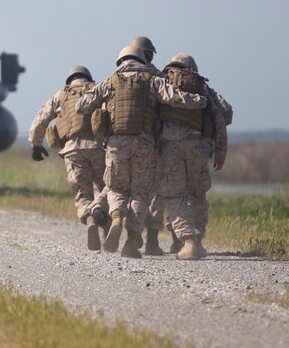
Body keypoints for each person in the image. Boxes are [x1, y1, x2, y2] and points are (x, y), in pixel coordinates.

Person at [76, 45, 207, 258]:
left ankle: (117, 216)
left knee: (116, 188)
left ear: (121, 60)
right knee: (140, 193)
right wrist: (199, 101)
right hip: (145, 144)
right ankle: (130, 242)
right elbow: (173, 96)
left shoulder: (111, 80)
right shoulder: (152, 79)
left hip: (116, 143)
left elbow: (81, 106)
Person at [158, 53, 232, 257]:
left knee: (175, 196)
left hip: (170, 148)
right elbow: (225, 114)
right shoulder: (205, 89)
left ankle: (187, 240)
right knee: (197, 195)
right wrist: (221, 151)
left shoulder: (163, 83)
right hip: (199, 148)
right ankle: (197, 240)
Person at [28, 66, 110, 250]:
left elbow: (41, 119)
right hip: (99, 148)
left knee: (83, 193)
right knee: (103, 189)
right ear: (88, 77)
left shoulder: (61, 95)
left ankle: (90, 221)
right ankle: (105, 234)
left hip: (72, 150)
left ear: (69, 80)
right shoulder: (98, 89)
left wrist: (36, 144)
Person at [128, 36, 168, 255]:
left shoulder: (119, 77)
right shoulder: (158, 77)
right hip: (155, 142)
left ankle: (132, 238)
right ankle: (152, 241)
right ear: (150, 54)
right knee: (155, 194)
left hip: (124, 144)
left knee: (131, 192)